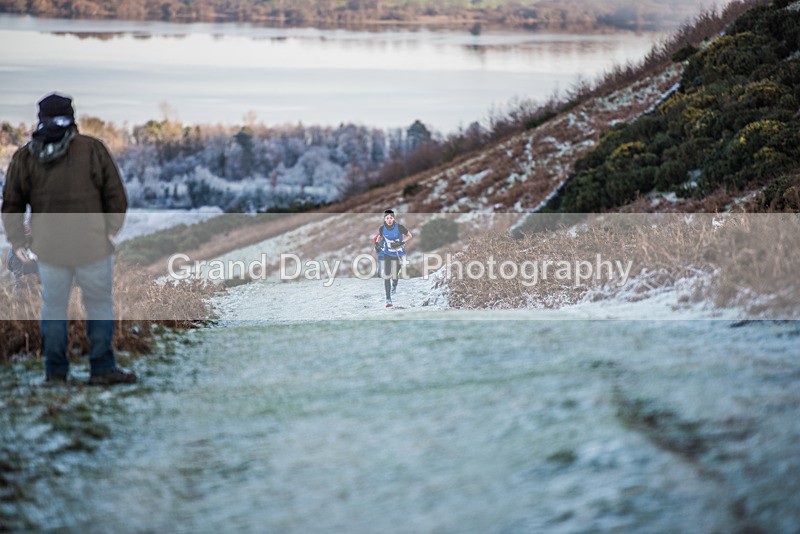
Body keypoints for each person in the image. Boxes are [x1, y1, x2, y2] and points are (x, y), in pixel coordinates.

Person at [1, 92, 136, 385]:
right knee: (99, 305)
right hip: (93, 245)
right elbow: (116, 195)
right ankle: (102, 369)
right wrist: (111, 230)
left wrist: (19, 243)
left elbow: (11, 204)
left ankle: (55, 373)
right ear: (72, 118)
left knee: (54, 309)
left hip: (48, 248)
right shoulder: (93, 149)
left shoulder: (25, 156)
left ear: (40, 119)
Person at [375, 209, 412, 308]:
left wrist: (401, 243)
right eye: (387, 218)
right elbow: (379, 237)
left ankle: (395, 283)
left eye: (391, 218)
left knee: (395, 274)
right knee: (387, 276)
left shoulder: (399, 227)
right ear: (385, 219)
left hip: (399, 254)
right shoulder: (382, 228)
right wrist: (377, 245)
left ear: (394, 218)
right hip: (387, 254)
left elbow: (409, 235)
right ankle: (388, 299)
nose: (389, 220)